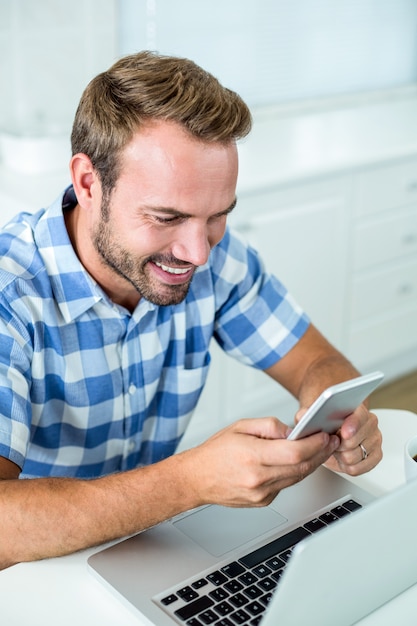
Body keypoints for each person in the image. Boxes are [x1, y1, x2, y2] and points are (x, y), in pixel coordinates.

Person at [0, 51, 382, 570]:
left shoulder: (213, 259)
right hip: (38, 572)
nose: (198, 253)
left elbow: (317, 364)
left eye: (217, 216)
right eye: (166, 217)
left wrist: (342, 419)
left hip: (148, 551)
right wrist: (189, 480)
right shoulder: (10, 298)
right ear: (89, 184)